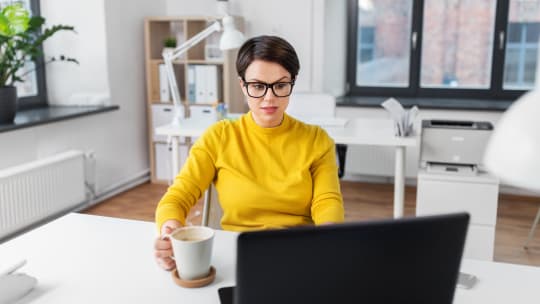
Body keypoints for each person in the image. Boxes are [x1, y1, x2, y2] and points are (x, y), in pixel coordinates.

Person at [154, 35, 344, 270]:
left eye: (281, 85)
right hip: (240, 255)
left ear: (292, 83)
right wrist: (169, 234)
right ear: (243, 86)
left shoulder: (317, 140)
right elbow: (178, 197)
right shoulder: (220, 137)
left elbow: (327, 201)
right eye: (257, 86)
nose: (269, 97)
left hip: (299, 253)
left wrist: (330, 238)